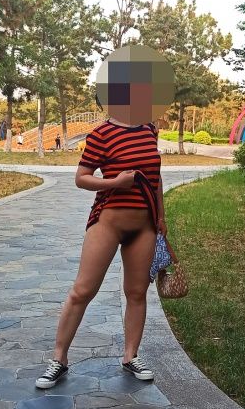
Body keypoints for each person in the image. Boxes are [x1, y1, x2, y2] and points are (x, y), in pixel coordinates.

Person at [35, 114, 167, 388]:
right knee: (83, 291)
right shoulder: (101, 134)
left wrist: (161, 217)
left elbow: (156, 177)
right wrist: (115, 183)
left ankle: (130, 356)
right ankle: (59, 359)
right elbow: (81, 178)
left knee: (137, 292)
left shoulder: (149, 130)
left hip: (144, 227)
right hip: (107, 223)